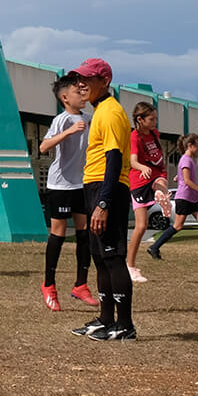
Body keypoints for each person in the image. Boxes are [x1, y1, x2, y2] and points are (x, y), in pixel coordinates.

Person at [68, 57, 136, 341]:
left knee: (112, 257)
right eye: (78, 79)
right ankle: (107, 319)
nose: (81, 84)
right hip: (95, 186)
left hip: (108, 190)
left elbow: (114, 158)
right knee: (99, 256)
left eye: (88, 79)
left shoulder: (110, 112)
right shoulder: (101, 110)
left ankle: (125, 324)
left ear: (104, 81)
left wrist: (103, 203)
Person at [39, 74, 97, 310]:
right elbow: (43, 147)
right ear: (65, 98)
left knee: (85, 234)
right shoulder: (62, 120)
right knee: (59, 234)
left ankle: (80, 285)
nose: (82, 95)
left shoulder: (90, 118)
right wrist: (69, 132)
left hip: (81, 184)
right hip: (60, 185)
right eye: (76, 92)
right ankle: (49, 285)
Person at [147, 134, 198, 262]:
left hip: (192, 198)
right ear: (190, 146)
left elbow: (183, 176)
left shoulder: (188, 159)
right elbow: (187, 181)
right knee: (177, 226)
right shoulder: (186, 160)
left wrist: (178, 177)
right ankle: (154, 247)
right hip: (185, 198)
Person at [126, 102, 168, 283]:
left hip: (157, 174)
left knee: (161, 183)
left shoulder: (154, 134)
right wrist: (142, 167)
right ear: (140, 120)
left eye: (156, 118)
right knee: (141, 226)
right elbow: (132, 161)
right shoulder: (134, 137)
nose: (155, 122)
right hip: (139, 181)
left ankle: (161, 194)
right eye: (152, 119)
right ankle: (130, 266)